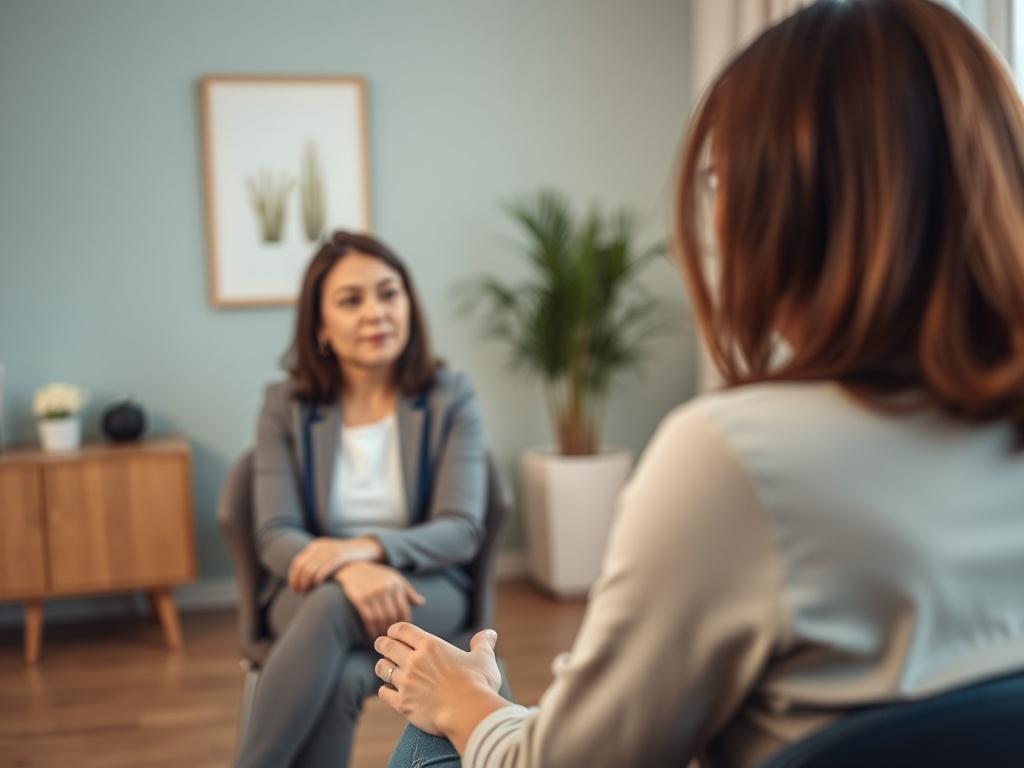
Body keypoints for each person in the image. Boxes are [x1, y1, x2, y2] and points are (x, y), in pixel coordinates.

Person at [372, 2, 1024, 766]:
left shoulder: (740, 458)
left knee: (429, 728)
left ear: (777, 208)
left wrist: (467, 701)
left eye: (720, 180)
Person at [234, 231, 487, 767]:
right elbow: (275, 532)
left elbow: (461, 527)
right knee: (341, 647)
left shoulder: (451, 397)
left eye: (389, 293)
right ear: (320, 326)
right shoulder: (285, 405)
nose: (376, 312)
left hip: (427, 587)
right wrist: (346, 573)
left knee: (335, 630)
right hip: (309, 588)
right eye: (351, 300)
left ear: (409, 306)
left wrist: (364, 550)